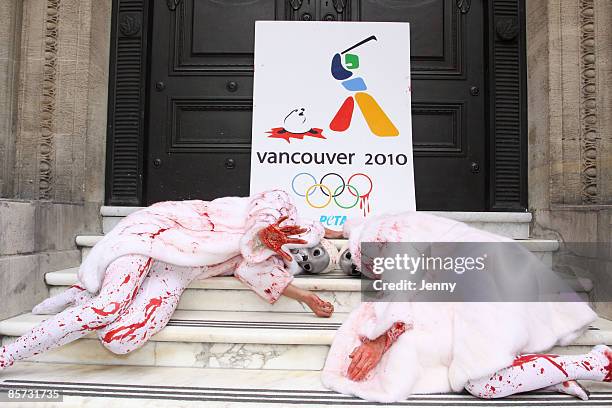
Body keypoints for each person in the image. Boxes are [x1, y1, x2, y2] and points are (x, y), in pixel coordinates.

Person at [0, 190, 335, 370]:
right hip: (154, 234)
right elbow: (267, 213)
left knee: (122, 339)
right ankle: (9, 355)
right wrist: (267, 232)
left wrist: (305, 297)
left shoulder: (266, 257)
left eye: (308, 261)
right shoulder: (276, 206)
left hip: (176, 269)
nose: (305, 256)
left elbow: (253, 270)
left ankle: (80, 301)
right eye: (309, 249)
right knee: (108, 308)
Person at [322, 212, 611, 402]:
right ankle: (554, 377)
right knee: (477, 370)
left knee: (479, 382)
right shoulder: (379, 224)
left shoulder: (382, 234)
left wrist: (381, 338)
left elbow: (402, 281)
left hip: (486, 278)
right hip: (491, 267)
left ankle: (595, 363)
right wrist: (338, 232)